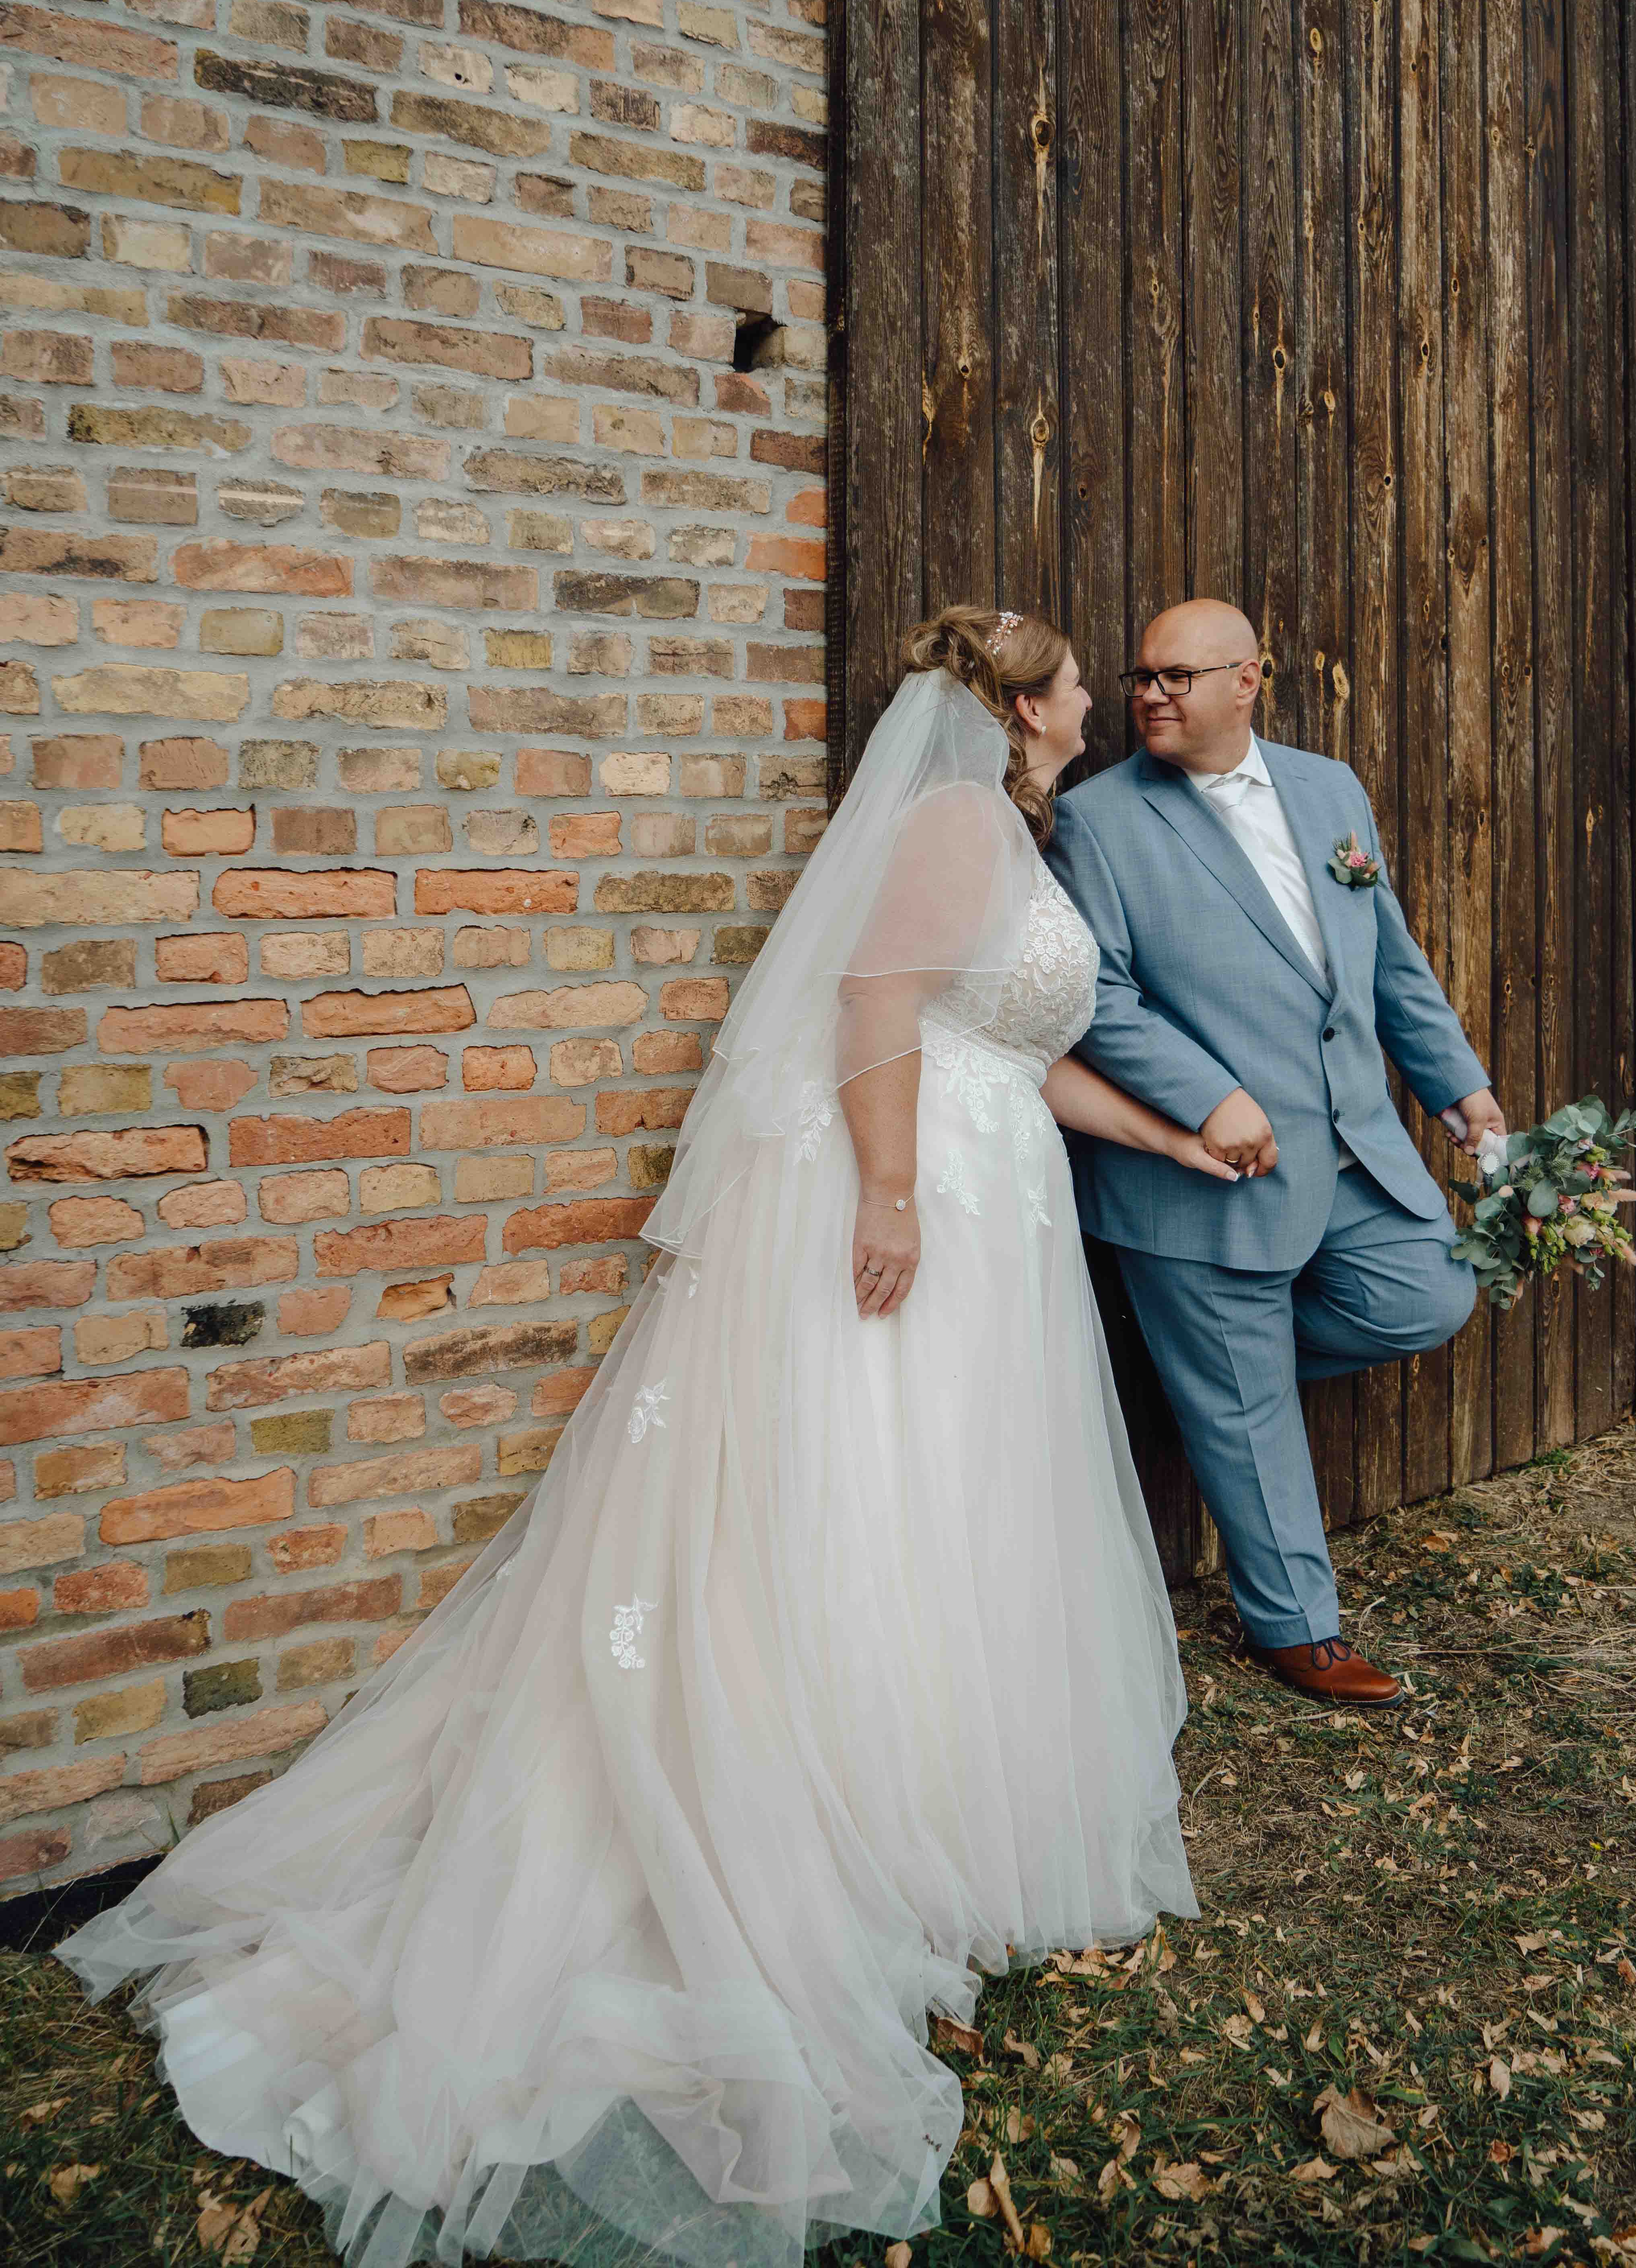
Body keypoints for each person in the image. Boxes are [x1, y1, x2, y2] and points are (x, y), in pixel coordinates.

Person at [58, 606, 1223, 2268]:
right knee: (882, 1499)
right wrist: (888, 1199)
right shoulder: (958, 822)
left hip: (998, 1198)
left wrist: (1171, 1141)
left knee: (959, 1508)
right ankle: (840, 1819)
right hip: (926, 1212)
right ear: (1022, 710)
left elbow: (1017, 1060)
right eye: (1079, 686)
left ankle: (936, 1807)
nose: (1102, 699)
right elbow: (875, 1008)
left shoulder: (1008, 836)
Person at [1044, 598, 1506, 1711]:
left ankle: (1207, 1376)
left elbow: (1386, 953)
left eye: (1180, 676)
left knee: (1429, 1294)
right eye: (1142, 675)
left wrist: (1463, 1093)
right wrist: (1208, 1096)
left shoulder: (1328, 788)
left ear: (1251, 678)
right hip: (1203, 1163)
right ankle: (1298, 1628)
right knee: (1245, 1398)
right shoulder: (1098, 821)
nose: (1152, 694)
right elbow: (1092, 995)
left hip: (1348, 1143)